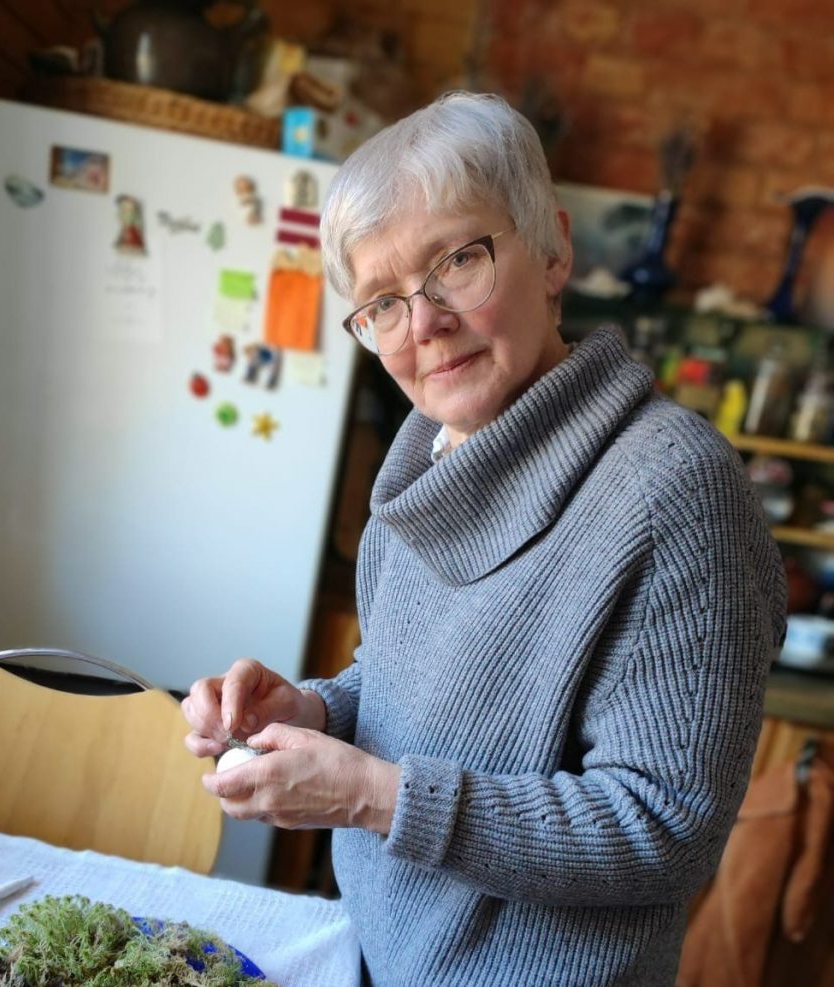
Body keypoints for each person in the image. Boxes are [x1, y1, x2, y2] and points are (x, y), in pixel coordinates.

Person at [181, 92, 787, 987]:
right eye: (382, 302)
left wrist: (373, 797)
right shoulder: (424, 461)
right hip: (375, 951)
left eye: (457, 260)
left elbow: (665, 828)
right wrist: (310, 712)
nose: (423, 323)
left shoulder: (673, 489)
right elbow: (407, 688)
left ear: (553, 249)